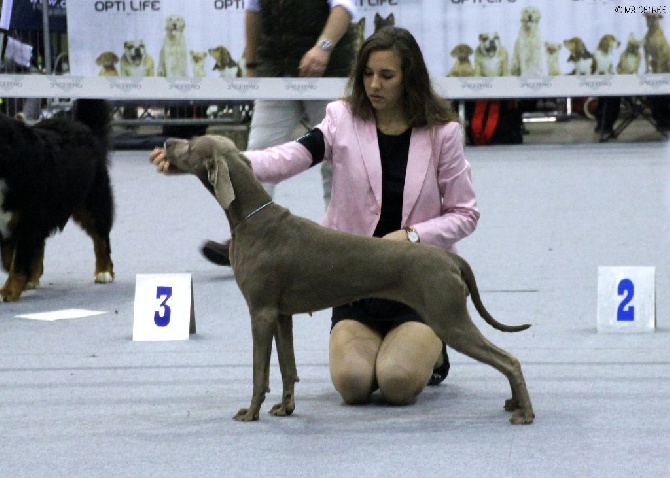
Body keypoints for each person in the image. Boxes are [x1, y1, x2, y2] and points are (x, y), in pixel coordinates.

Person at [151, 27, 479, 404]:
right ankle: (388, 344)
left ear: (410, 80)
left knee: (397, 383)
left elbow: (464, 214)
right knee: (354, 386)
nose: (374, 85)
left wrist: (412, 236)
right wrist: (211, 163)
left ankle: (433, 345)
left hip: (415, 281)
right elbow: (287, 158)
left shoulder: (443, 134)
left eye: (387, 76)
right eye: (368, 74)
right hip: (350, 279)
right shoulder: (342, 118)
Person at [200, 0, 357, 267]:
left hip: (330, 72)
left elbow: (345, 8)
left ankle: (346, 239)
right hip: (275, 71)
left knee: (340, 159)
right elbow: (254, 11)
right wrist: (251, 64)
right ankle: (244, 240)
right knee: (254, 157)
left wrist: (323, 47)